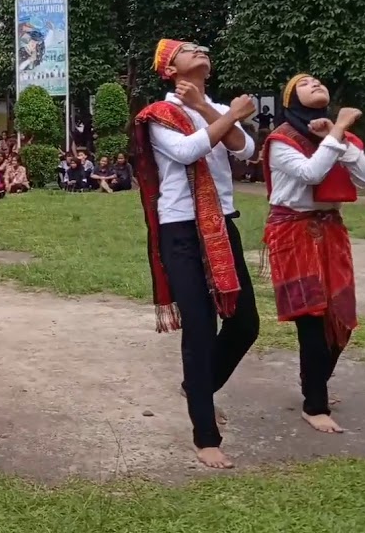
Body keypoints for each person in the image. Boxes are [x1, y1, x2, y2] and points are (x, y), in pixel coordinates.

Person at [132, 39, 259, 470]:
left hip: (221, 224)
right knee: (201, 328)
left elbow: (246, 150)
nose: (200, 50)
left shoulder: (215, 107)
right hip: (181, 228)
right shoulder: (159, 114)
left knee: (245, 323)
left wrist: (210, 110)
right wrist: (230, 116)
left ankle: (198, 385)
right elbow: (188, 151)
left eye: (202, 47)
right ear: (170, 69)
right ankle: (205, 435)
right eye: (188, 49)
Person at [263, 74, 365, 434]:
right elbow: (311, 174)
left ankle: (315, 383)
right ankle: (315, 404)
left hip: (331, 231)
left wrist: (339, 137)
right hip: (294, 232)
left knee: (340, 317)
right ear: (290, 98)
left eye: (317, 81)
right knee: (311, 319)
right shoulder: (281, 139)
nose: (314, 84)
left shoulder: (334, 137)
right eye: (304, 83)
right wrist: (339, 129)